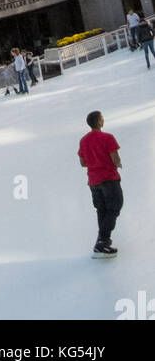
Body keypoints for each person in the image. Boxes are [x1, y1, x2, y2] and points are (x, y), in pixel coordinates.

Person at [78, 110, 122, 257]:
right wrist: (118, 163)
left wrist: (94, 161)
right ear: (98, 122)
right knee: (115, 207)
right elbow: (114, 157)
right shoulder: (108, 138)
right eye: (102, 118)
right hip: (109, 178)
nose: (103, 120)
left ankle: (102, 242)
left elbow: (83, 163)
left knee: (102, 210)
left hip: (93, 181)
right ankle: (102, 241)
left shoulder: (83, 140)